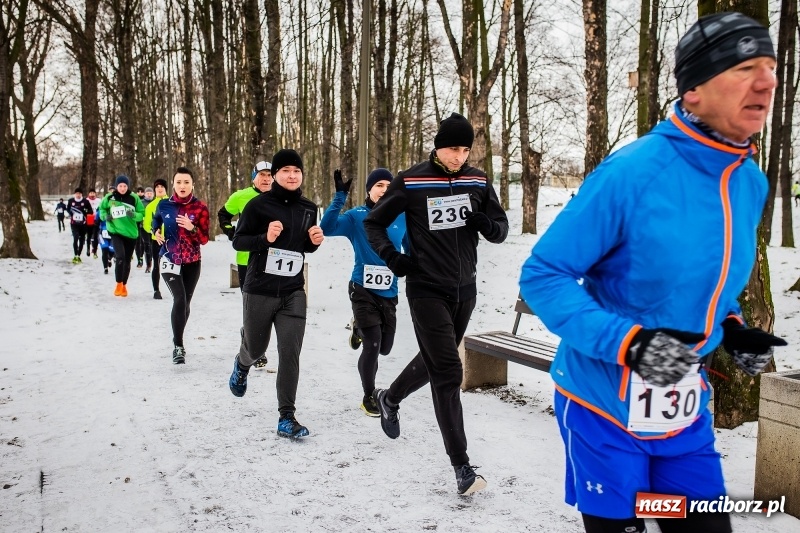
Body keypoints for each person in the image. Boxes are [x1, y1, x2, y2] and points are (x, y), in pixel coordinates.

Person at [518, 13, 787, 533]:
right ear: (693, 91)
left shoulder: (749, 183)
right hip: (602, 407)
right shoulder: (633, 173)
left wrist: (732, 329)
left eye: (771, 67)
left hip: (682, 411)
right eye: (745, 67)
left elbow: (702, 285)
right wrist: (634, 344)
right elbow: (543, 275)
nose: (767, 81)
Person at [364, 112, 509, 495]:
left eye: (465, 149)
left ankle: (390, 397)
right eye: (452, 149)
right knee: (447, 370)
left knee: (434, 361)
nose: (458, 157)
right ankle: (462, 466)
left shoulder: (478, 180)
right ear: (437, 146)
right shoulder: (412, 180)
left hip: (466, 290)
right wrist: (392, 258)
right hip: (426, 288)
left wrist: (486, 225)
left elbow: (501, 228)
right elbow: (374, 224)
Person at [227, 149, 324, 439]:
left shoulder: (309, 207)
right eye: (285, 171)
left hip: (293, 291)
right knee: (256, 350)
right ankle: (241, 363)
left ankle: (286, 417)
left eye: (297, 171)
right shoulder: (257, 206)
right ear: (275, 175)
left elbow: (302, 247)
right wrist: (264, 238)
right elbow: (238, 242)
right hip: (259, 289)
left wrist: (313, 243)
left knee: (289, 352)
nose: (292, 176)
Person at [319, 167, 406, 416]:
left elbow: (411, 250)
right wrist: (339, 197)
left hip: (389, 291)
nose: (384, 190)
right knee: (373, 344)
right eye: (379, 185)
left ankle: (358, 327)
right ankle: (368, 395)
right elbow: (327, 227)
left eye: (389, 186)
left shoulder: (402, 217)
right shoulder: (357, 216)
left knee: (385, 348)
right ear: (369, 189)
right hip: (362, 289)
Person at [218, 160, 273, 369]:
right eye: (262, 175)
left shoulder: (280, 197)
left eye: (269, 175)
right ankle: (255, 347)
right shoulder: (241, 196)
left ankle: (252, 339)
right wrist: (231, 232)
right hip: (246, 259)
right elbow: (223, 214)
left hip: (272, 259)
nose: (266, 179)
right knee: (252, 305)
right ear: (254, 178)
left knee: (268, 305)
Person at [152, 167, 210, 364]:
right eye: (179, 182)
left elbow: (204, 239)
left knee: (185, 302)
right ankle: (178, 345)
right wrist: (155, 232)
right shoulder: (164, 205)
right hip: (169, 258)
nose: (182, 186)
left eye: (186, 182)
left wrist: (191, 227)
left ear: (192, 184)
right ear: (174, 184)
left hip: (192, 262)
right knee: (179, 298)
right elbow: (155, 220)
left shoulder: (200, 208)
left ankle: (178, 338)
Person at [99, 175, 145, 297]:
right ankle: (118, 283)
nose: (123, 188)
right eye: (120, 186)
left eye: (125, 186)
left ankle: (124, 285)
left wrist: (133, 215)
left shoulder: (134, 198)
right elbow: (102, 209)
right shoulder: (109, 197)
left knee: (127, 260)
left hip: (131, 233)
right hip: (115, 232)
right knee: (120, 257)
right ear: (116, 186)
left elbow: (142, 214)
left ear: (128, 186)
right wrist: (105, 217)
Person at [143, 179, 170, 299]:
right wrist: (154, 231)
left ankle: (178, 288)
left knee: (176, 264)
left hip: (171, 239)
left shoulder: (172, 202)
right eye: (157, 187)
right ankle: (156, 290)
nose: (160, 189)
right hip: (157, 240)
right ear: (154, 190)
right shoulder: (150, 206)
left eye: (162, 187)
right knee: (156, 265)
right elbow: (146, 224)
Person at [66, 188, 93, 264]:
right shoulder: (71, 201)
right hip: (74, 223)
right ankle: (75, 255)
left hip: (83, 224)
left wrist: (85, 212)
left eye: (79, 194)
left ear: (82, 194)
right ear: (74, 194)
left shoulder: (85, 201)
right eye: (77, 193)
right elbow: (68, 209)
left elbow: (90, 210)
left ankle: (78, 255)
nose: (78, 195)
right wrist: (71, 214)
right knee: (75, 237)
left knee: (81, 240)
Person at [140, 187, 155, 272]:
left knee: (153, 246)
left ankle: (153, 261)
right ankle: (148, 265)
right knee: (147, 245)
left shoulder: (155, 202)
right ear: (145, 194)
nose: (149, 195)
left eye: (151, 193)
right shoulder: (141, 203)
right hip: (144, 227)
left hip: (154, 227)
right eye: (147, 193)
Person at [85, 189, 102, 258]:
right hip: (88, 219)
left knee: (95, 236)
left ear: (95, 194)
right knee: (89, 236)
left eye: (93, 193)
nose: (92, 194)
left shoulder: (99, 201)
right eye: (90, 193)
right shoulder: (86, 200)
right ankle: (88, 249)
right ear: (88, 194)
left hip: (96, 219)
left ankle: (95, 250)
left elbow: (101, 209)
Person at [135, 186, 147, 269]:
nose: (140, 193)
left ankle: (141, 257)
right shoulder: (135, 200)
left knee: (142, 242)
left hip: (143, 224)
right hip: (135, 224)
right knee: (137, 243)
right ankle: (139, 258)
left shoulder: (146, 201)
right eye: (138, 191)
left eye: (141, 192)